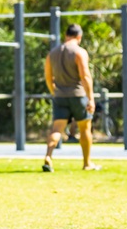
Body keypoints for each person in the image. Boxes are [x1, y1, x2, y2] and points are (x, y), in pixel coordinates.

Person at [42, 24, 100, 172]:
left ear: (66, 35)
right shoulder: (79, 52)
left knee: (57, 129)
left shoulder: (52, 53)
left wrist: (53, 91)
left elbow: (48, 77)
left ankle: (48, 156)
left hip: (60, 96)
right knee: (85, 128)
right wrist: (91, 98)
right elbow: (85, 76)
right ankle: (87, 163)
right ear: (79, 37)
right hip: (78, 95)